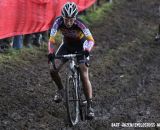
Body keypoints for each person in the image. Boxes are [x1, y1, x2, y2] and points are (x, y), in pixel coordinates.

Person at [47, 2, 95, 119]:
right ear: (62, 17)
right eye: (66, 19)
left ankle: (89, 106)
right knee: (53, 69)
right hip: (66, 46)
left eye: (71, 19)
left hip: (81, 47)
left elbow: (91, 40)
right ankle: (61, 91)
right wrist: (51, 52)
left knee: (84, 74)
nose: (68, 22)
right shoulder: (58, 22)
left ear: (75, 17)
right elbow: (51, 40)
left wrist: (87, 50)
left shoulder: (80, 23)